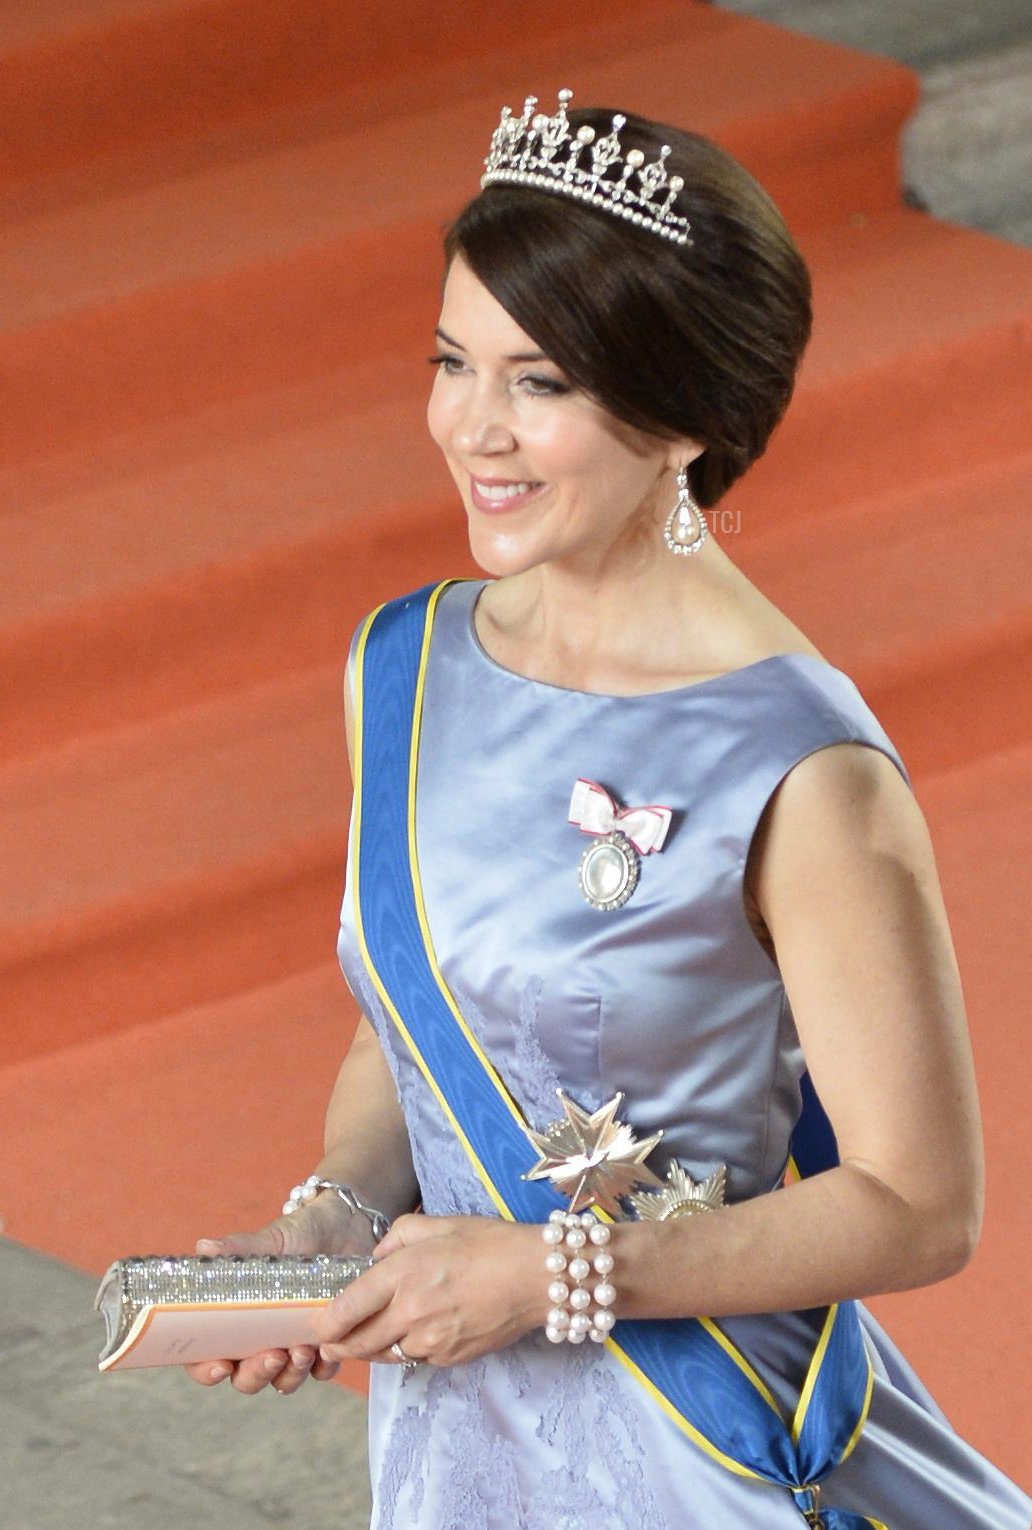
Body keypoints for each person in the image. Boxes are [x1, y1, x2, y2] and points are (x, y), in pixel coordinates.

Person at [186, 92, 1032, 1529]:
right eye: (453, 361)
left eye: (542, 383)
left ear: (685, 417)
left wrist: (549, 1275)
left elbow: (919, 1203)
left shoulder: (803, 769)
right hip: (461, 1437)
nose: (474, 428)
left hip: (702, 1450)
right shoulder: (407, 669)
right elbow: (422, 1013)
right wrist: (329, 1221)